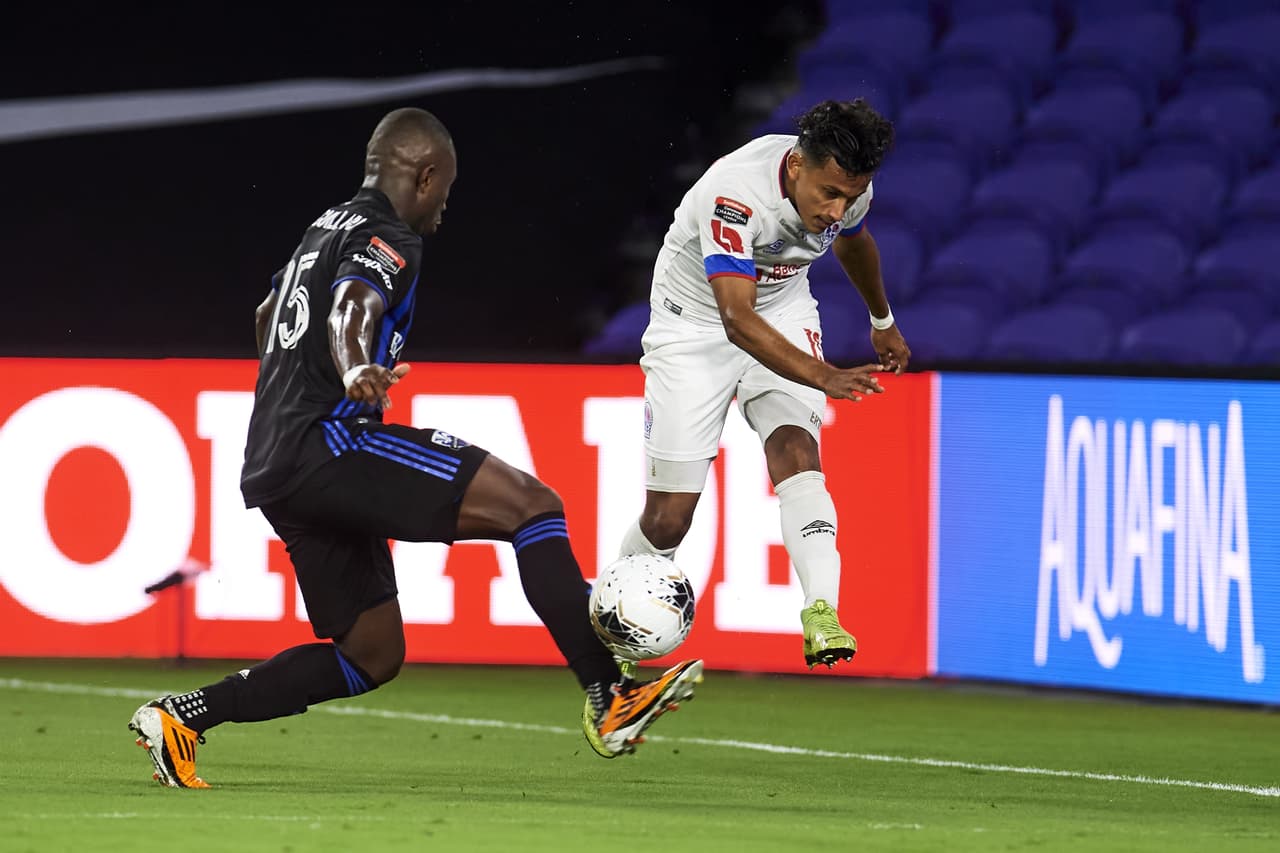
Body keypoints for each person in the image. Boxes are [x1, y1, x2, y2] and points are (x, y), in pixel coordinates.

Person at [127, 107, 703, 788]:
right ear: (425, 176)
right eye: (447, 192)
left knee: (370, 653)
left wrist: (312, 380)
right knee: (532, 505)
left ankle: (183, 716)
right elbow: (352, 306)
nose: (443, 209)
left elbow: (265, 317)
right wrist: (351, 369)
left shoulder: (323, 226)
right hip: (330, 443)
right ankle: (611, 696)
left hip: (276, 462)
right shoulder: (388, 232)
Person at [616, 99, 910, 671]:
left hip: (782, 309)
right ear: (797, 166)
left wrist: (882, 322)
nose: (837, 208)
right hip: (694, 325)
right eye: (829, 193)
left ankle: (822, 610)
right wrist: (823, 374)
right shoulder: (735, 193)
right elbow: (735, 319)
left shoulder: (846, 190)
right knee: (669, 518)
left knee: (798, 453)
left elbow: (853, 240)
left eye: (850, 196)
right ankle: (612, 626)